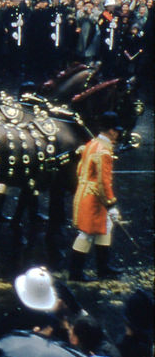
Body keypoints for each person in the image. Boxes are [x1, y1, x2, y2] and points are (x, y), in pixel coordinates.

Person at [69, 112, 121, 281]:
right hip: (95, 198)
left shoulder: (91, 143)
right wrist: (111, 204)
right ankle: (76, 273)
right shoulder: (104, 151)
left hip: (85, 192)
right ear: (112, 131)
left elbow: (79, 170)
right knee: (87, 233)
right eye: (116, 131)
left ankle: (103, 268)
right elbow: (103, 181)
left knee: (105, 227)